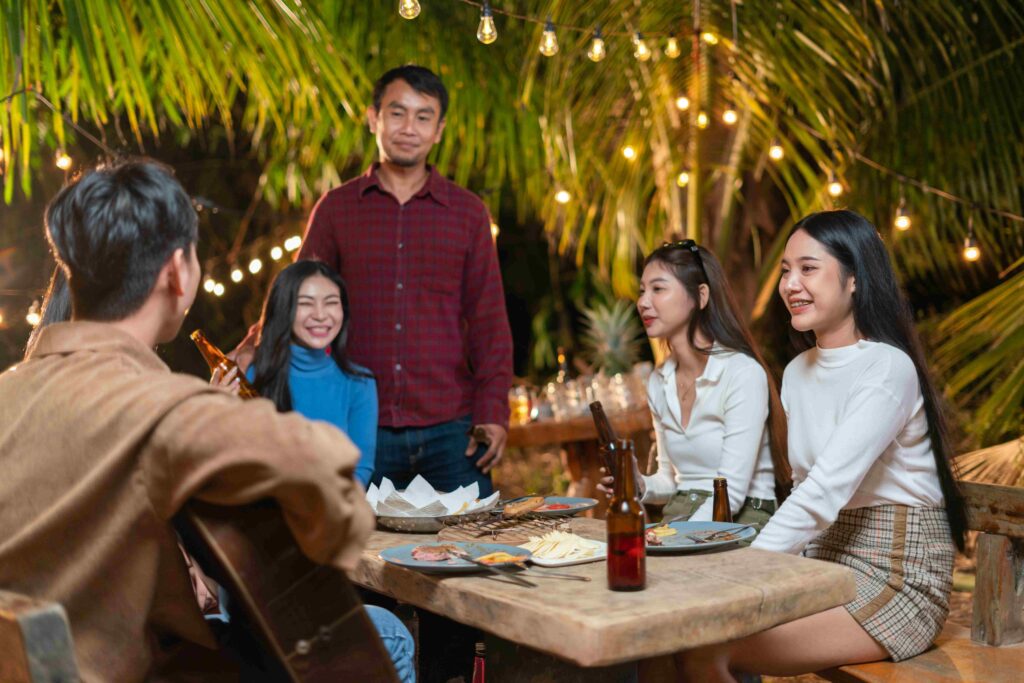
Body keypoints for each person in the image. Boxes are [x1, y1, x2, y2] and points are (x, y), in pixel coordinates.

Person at [0, 158, 413, 682]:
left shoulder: (8, 391)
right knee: (385, 635)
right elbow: (340, 505)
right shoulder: (162, 408)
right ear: (178, 271)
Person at [677, 210, 966, 680]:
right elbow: (795, 485)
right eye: (786, 270)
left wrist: (742, 572)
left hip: (896, 580)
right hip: (822, 566)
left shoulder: (887, 367)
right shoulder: (797, 372)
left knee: (705, 650)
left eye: (809, 268)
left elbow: (824, 490)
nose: (791, 283)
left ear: (854, 279)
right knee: (673, 636)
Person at [292, 64, 513, 497]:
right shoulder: (336, 209)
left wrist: (493, 410)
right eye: (397, 113)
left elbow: (488, 320)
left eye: (423, 116)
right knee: (351, 559)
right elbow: (296, 300)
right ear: (373, 118)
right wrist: (248, 352)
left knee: (475, 555)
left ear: (439, 130)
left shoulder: (467, 214)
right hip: (357, 426)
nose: (409, 127)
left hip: (453, 432)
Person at [600, 240, 790, 531]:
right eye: (642, 291)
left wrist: (672, 537)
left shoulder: (741, 373)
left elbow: (733, 493)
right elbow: (670, 479)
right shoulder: (658, 381)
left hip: (745, 520)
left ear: (701, 295)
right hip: (683, 516)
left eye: (658, 289)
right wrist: (638, 484)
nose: (643, 302)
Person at [217, 260, 378, 487]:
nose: (321, 315)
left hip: (331, 513)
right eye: (305, 303)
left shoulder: (360, 383)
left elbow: (360, 470)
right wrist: (216, 414)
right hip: (260, 514)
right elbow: (228, 463)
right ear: (284, 309)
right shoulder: (248, 374)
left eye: (331, 302)